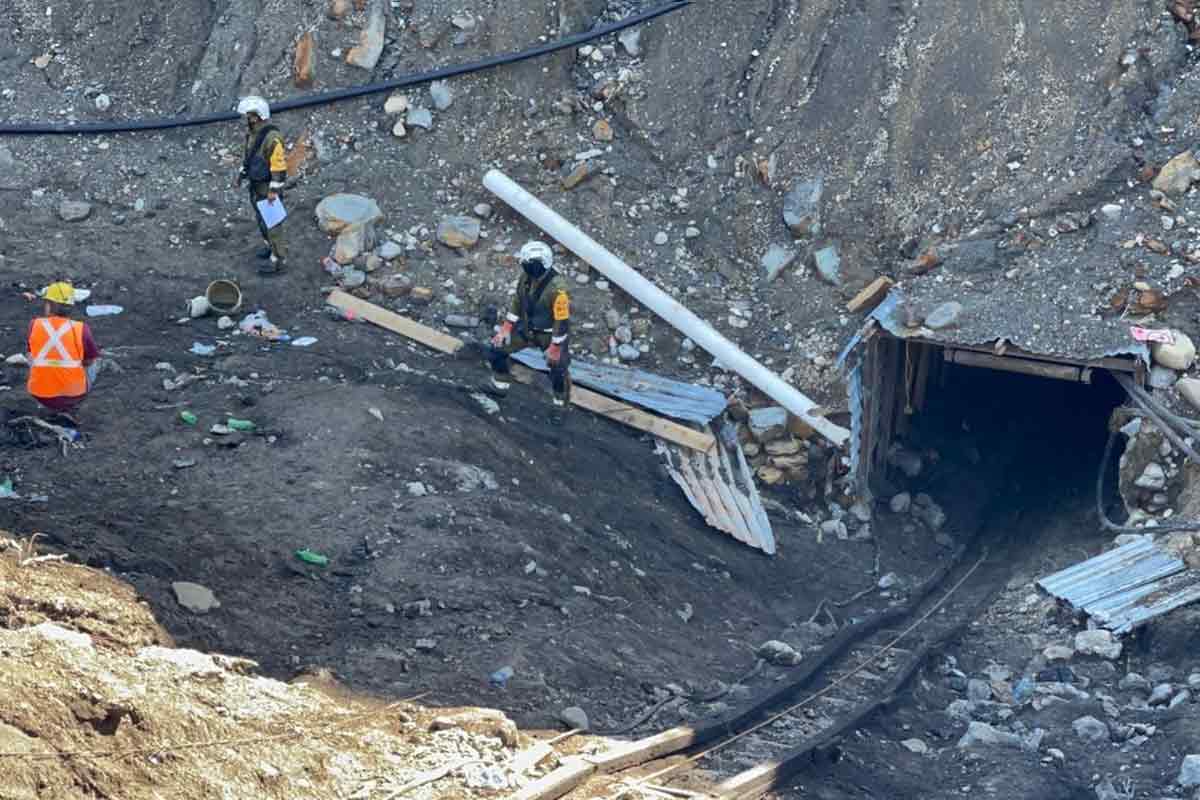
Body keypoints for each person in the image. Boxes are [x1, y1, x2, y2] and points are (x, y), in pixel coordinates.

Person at [487, 241, 573, 422]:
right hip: (527, 328)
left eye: (533, 266)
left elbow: (562, 320)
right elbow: (518, 302)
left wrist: (556, 347)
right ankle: (500, 386)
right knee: (497, 350)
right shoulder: (525, 279)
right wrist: (506, 328)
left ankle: (560, 406)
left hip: (550, 335)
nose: (530, 269)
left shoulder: (558, 289)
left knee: (558, 370)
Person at [27, 282, 100, 420]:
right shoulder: (82, 328)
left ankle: (44, 401)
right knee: (95, 361)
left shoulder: (34, 324)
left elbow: (32, 352)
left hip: (41, 395)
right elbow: (89, 361)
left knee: (32, 355)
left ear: (50, 304)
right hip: (73, 395)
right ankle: (72, 406)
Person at [235, 95, 289, 275]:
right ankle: (269, 247)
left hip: (267, 187)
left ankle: (278, 260)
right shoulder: (253, 134)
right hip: (256, 185)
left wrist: (274, 190)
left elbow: (279, 166)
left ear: (257, 116)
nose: (246, 119)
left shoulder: (272, 138)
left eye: (248, 115)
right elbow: (250, 156)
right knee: (262, 220)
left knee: (273, 223)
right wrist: (242, 171)